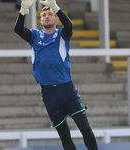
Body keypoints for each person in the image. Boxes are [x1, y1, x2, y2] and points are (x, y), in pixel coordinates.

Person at [14, 0, 98, 149]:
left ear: (56, 18)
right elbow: (18, 30)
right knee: (65, 136)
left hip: (67, 89)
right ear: (40, 20)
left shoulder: (61, 34)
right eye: (43, 15)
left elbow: (70, 26)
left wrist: (56, 7)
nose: (46, 16)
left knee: (85, 129)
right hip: (49, 93)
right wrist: (23, 11)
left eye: (50, 14)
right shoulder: (35, 36)